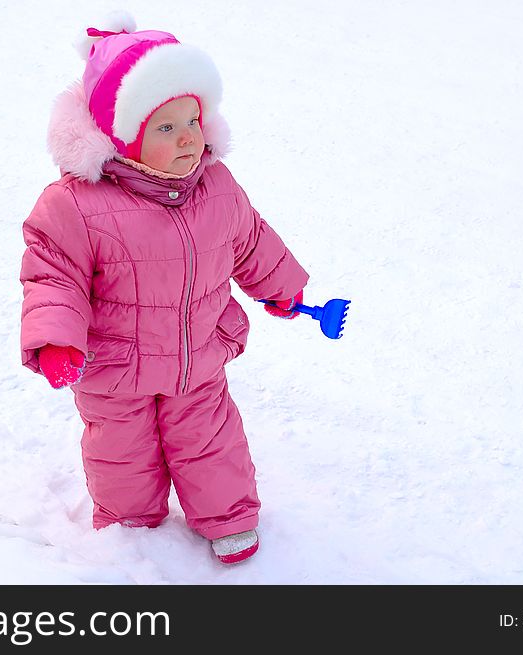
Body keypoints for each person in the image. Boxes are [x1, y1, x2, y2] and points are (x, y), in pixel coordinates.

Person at [19, 12, 309, 564]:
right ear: (122, 136)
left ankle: (228, 517)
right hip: (114, 368)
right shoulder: (78, 204)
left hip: (197, 356)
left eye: (193, 121)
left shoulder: (217, 188)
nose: (187, 140)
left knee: (211, 443)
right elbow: (53, 273)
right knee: (121, 453)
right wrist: (57, 339)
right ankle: (131, 523)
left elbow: (249, 240)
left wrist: (283, 289)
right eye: (165, 128)